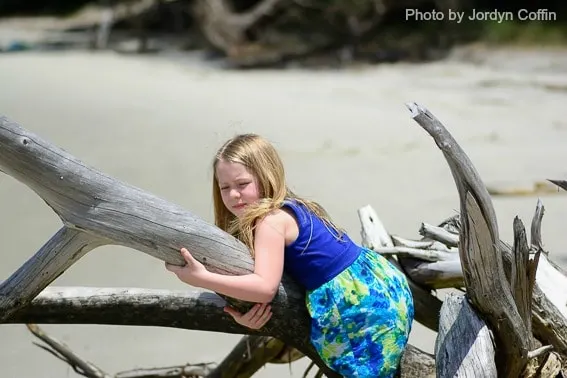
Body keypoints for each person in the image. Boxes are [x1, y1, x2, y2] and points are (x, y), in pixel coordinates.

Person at [165, 133, 414, 377]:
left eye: (242, 184)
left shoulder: (271, 222)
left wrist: (201, 278)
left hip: (358, 304)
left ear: (267, 177)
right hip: (381, 283)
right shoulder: (294, 207)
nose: (233, 195)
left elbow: (264, 287)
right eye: (225, 187)